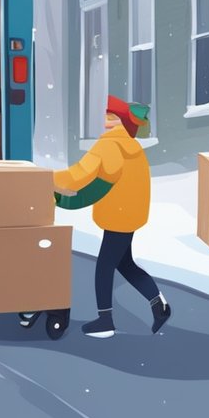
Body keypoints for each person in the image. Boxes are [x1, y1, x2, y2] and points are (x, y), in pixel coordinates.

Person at [52, 96, 171, 338]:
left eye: (111, 118)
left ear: (121, 121)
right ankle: (159, 305)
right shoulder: (133, 145)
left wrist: (48, 179)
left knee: (104, 267)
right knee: (124, 263)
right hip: (131, 214)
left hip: (117, 216)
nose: (106, 123)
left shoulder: (108, 146)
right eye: (106, 117)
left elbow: (79, 174)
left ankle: (105, 320)